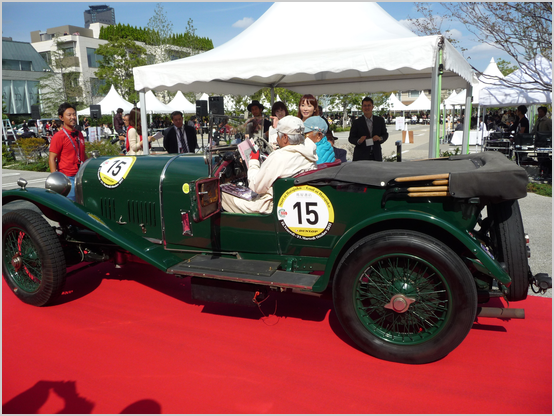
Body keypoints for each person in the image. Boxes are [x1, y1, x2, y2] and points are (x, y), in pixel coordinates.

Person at [222, 116, 317, 215]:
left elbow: (255, 186)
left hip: (271, 206)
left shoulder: (279, 157)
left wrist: (254, 161)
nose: (276, 138)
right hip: (289, 201)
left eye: (278, 135)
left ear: (285, 138)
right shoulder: (310, 153)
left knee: (222, 195)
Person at [48, 102, 87, 202]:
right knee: (71, 206)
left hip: (81, 176)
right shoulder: (59, 136)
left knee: (83, 204)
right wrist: (55, 180)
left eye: (74, 114)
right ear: (61, 118)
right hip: (68, 178)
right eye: (69, 115)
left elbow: (82, 153)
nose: (73, 117)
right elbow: (52, 158)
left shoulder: (79, 134)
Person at [348, 96, 389, 161]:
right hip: (360, 155)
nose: (367, 107)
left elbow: (385, 134)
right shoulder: (357, 122)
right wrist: (359, 140)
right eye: (365, 106)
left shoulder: (380, 121)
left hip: (376, 155)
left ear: (372, 107)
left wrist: (380, 138)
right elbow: (351, 138)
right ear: (362, 107)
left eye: (369, 105)